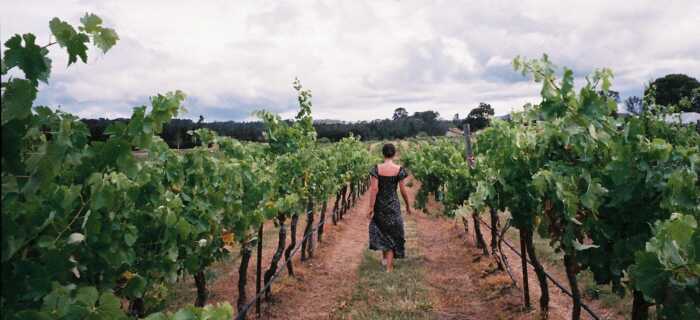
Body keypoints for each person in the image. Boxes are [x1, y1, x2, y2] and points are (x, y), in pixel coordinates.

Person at [367, 143, 413, 272]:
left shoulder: (377, 169)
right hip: (393, 204)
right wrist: (408, 205)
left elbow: (374, 189)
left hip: (380, 205)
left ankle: (385, 260)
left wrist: (371, 207)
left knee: (382, 230)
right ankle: (388, 266)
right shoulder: (399, 169)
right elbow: (403, 190)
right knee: (393, 232)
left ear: (383, 154)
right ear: (394, 154)